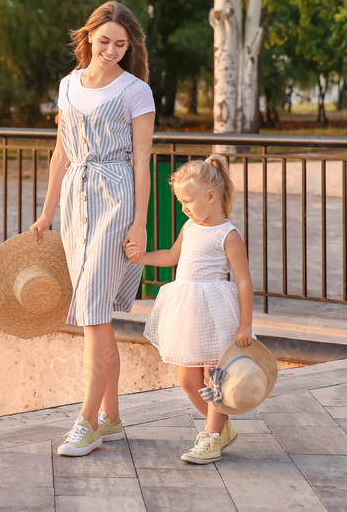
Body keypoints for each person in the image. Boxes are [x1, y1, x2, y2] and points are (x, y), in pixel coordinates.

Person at [30, 1, 155, 457]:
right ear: (89, 37)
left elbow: (142, 159)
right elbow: (62, 152)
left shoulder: (136, 90)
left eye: (121, 44)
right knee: (95, 317)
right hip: (75, 206)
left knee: (94, 313)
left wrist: (140, 222)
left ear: (130, 45)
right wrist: (47, 212)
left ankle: (85, 421)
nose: (112, 50)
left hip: (117, 199)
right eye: (104, 41)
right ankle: (113, 418)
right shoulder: (67, 85)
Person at [124, 155, 255, 465]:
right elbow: (172, 257)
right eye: (181, 202)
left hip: (215, 313)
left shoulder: (228, 235)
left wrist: (245, 324)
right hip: (188, 313)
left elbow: (245, 283)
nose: (183, 207)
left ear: (211, 196)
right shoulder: (190, 225)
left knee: (216, 380)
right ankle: (221, 426)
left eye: (188, 201)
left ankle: (210, 436)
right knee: (187, 380)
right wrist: (141, 258)